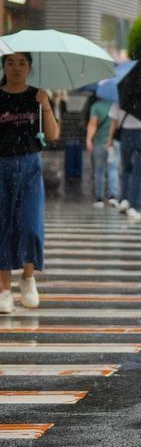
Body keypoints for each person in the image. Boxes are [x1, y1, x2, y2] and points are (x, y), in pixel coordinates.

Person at [0, 52, 60, 314]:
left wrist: (45, 104)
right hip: (1, 166)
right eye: (10, 62)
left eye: (22, 63)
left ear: (30, 67)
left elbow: (53, 134)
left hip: (30, 166)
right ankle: (4, 290)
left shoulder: (38, 96)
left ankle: (27, 278)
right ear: (3, 66)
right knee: (2, 225)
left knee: (31, 225)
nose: (16, 68)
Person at [108, 102, 141, 220]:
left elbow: (114, 121)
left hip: (125, 134)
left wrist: (110, 139)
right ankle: (135, 205)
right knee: (139, 171)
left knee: (127, 168)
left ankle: (125, 199)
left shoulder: (120, 96)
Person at [85, 97, 120, 209]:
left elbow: (93, 124)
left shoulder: (96, 107)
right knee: (113, 169)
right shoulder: (117, 105)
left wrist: (88, 139)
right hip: (114, 142)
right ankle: (113, 196)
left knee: (99, 170)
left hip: (99, 142)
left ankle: (99, 198)